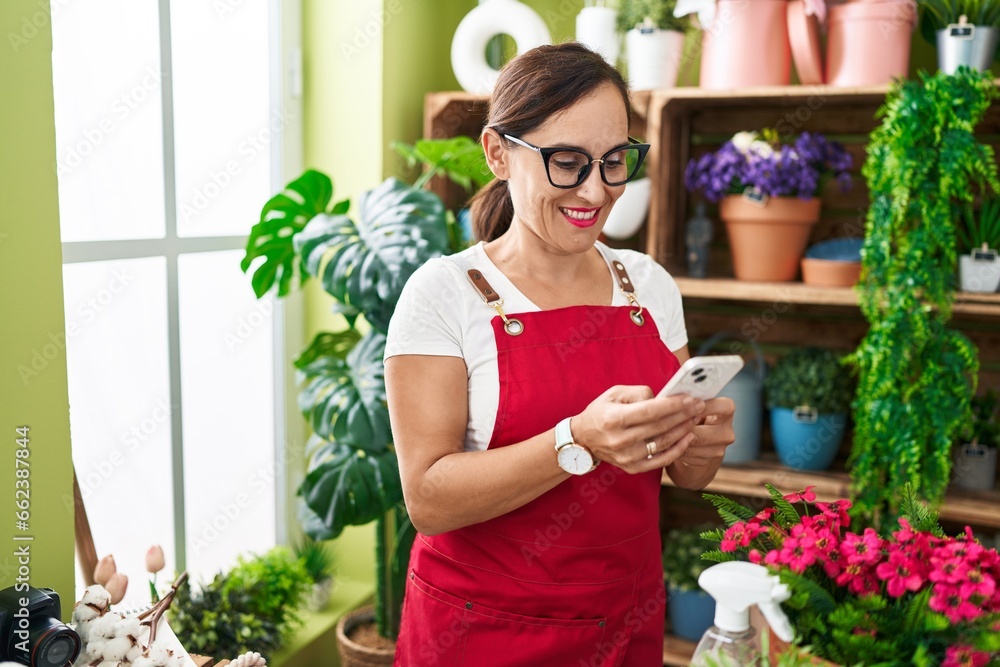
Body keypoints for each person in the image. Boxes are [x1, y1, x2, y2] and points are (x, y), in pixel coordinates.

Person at [384, 42, 736, 667]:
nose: (597, 192)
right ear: (498, 153)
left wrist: (699, 448)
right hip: (483, 634)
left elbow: (682, 476)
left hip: (625, 623)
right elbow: (429, 499)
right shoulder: (444, 295)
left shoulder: (647, 284)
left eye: (615, 161)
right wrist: (577, 439)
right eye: (568, 162)